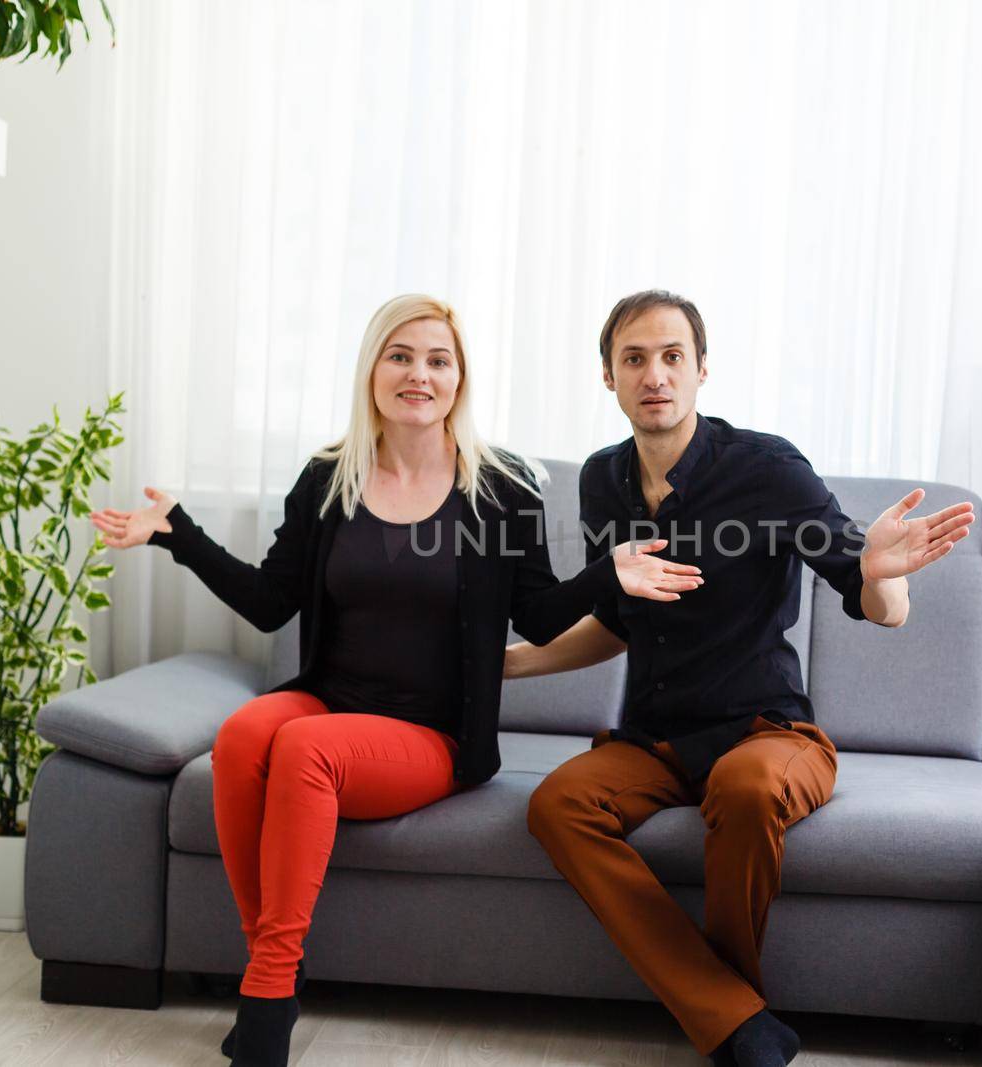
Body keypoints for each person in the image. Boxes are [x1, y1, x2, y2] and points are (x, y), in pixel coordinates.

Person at [88, 294, 703, 1067]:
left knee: (305, 746)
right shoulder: (327, 479)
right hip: (335, 697)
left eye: (438, 360)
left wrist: (605, 572)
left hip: (432, 731)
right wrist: (180, 534)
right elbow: (270, 600)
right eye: (401, 355)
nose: (420, 374)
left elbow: (542, 616)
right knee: (245, 732)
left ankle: (267, 1006)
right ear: (373, 370)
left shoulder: (502, 487)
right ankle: (270, 969)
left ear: (459, 378)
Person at [511, 290, 974, 1067]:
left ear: (700, 370)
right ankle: (734, 1017)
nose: (654, 374)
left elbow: (873, 599)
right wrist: (510, 667)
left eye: (671, 357)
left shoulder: (766, 468)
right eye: (634, 359)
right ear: (608, 377)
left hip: (769, 732)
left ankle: (730, 1023)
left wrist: (882, 573)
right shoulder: (603, 482)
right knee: (557, 803)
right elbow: (622, 622)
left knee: (747, 788)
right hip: (656, 739)